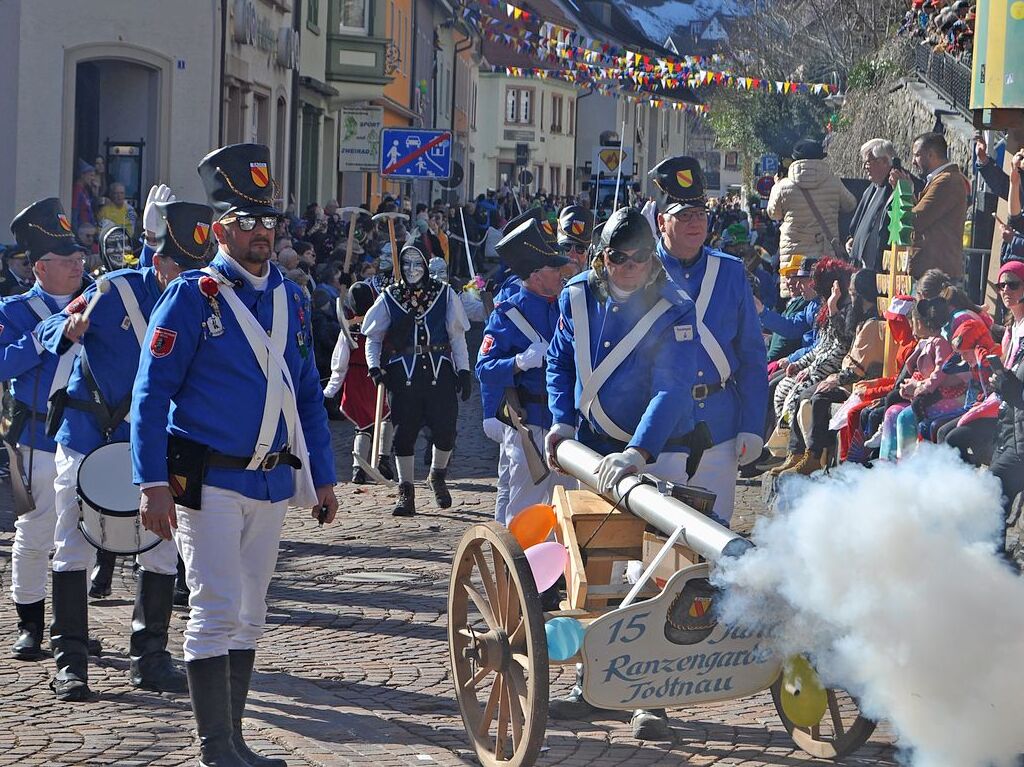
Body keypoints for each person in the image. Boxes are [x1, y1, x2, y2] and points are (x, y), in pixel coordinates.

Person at [131, 143, 338, 767]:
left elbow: (306, 395)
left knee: (252, 613)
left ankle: (236, 740)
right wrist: (151, 484)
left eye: (269, 223)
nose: (261, 235)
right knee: (215, 608)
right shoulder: (192, 296)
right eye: (247, 223)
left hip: (270, 482)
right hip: (206, 480)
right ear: (219, 228)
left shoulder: (292, 300)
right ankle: (214, 747)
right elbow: (151, 394)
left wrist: (324, 479)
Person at [37, 201, 214, 699]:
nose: (193, 276)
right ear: (159, 262)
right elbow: (56, 323)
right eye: (182, 266)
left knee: (160, 547)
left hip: (156, 444)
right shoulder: (112, 290)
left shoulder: (208, 302)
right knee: (71, 544)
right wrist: (66, 332)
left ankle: (150, 657)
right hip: (88, 435)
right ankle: (70, 658)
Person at [544, 205, 698, 741]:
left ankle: (649, 698)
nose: (627, 266)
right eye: (616, 257)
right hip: (593, 451)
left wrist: (638, 452)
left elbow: (672, 389)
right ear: (601, 256)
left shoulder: (674, 307)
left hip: (657, 451)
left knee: (655, 574)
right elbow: (560, 360)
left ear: (652, 259)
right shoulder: (576, 297)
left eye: (637, 257)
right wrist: (562, 421)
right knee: (592, 569)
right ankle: (591, 684)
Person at [650, 155, 768, 521]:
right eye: (683, 215)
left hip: (719, 424)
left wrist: (751, 425)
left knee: (715, 543)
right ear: (661, 221)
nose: (694, 222)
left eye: (699, 213)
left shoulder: (729, 272)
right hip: (657, 429)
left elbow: (751, 356)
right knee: (654, 545)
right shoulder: (639, 273)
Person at [4, 199, 88, 665]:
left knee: (80, 532)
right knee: (35, 532)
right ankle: (30, 622)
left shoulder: (97, 297)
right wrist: (42, 338)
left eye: (79, 257)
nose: (78, 264)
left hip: (85, 435)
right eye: (66, 259)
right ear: (40, 266)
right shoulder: (16, 310)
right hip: (37, 436)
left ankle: (70, 627)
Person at [363, 232, 472, 516]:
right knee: (404, 434)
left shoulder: (444, 292)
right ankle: (406, 491)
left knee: (446, 431)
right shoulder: (390, 296)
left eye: (418, 264)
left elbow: (457, 336)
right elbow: (372, 336)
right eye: (406, 264)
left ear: (426, 265)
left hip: (440, 371)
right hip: (403, 374)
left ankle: (437, 475)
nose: (412, 270)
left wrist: (464, 370)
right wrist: (374, 366)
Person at [477, 219, 571, 521]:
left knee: (571, 513)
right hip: (529, 427)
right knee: (523, 514)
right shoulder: (508, 314)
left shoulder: (568, 305)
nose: (561, 273)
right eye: (554, 268)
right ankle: (517, 569)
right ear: (535, 275)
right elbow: (485, 369)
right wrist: (519, 362)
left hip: (567, 424)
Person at [323, 281, 395, 483]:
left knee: (364, 426)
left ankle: (361, 468)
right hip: (374, 377)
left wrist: (331, 390)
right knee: (384, 418)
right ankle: (382, 458)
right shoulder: (381, 325)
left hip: (357, 380)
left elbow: (339, 363)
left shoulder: (349, 330)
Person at [767, 139, 856, 270]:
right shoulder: (834, 182)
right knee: (825, 287)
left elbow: (774, 214)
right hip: (825, 254)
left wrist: (776, 186)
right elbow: (851, 204)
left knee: (794, 288)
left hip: (794, 256)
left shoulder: (782, 187)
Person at [890, 132, 969, 280]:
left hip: (937, 275)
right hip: (931, 271)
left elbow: (915, 220)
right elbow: (924, 216)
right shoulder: (940, 180)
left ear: (931, 154)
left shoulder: (946, 181)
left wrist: (904, 193)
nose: (913, 161)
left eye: (917, 155)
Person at [847, 139, 898, 273]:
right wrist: (854, 240)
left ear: (885, 161)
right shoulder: (872, 188)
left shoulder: (896, 186)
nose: (865, 167)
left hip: (880, 268)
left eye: (868, 162)